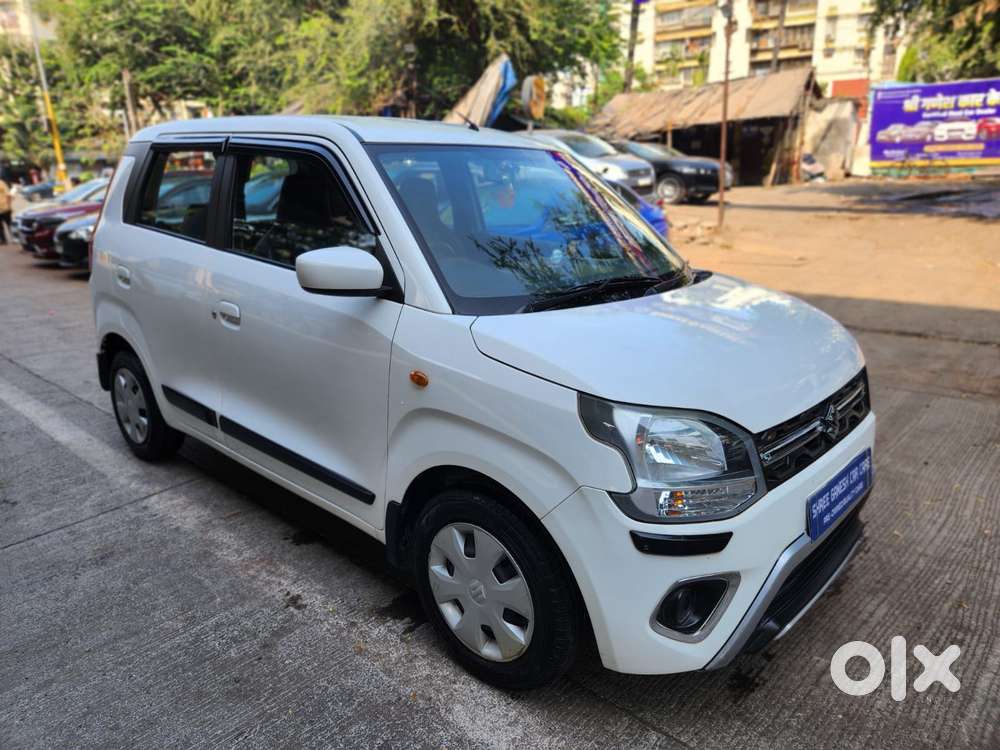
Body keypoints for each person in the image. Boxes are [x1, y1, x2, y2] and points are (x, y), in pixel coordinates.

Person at [0, 179, 11, 244]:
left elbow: (8, 195)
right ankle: (3, 240)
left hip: (5, 208)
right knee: (0, 227)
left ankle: (15, 238)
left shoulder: (1, 183)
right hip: (2, 208)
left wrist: (9, 205)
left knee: (9, 224)